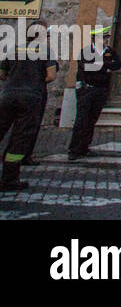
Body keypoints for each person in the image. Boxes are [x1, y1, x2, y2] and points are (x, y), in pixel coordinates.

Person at [0, 21, 58, 191]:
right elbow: (51, 76)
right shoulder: (45, 51)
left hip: (8, 96)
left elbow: (2, 73)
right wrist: (35, 80)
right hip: (30, 98)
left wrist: (15, 79)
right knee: (20, 139)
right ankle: (9, 178)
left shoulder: (14, 49)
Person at [67, 23, 121, 161]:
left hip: (101, 89)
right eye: (103, 38)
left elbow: (118, 64)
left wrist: (102, 65)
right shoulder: (86, 52)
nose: (105, 41)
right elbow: (87, 68)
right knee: (81, 120)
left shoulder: (109, 51)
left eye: (106, 38)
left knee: (92, 120)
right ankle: (74, 150)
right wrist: (106, 66)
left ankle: (85, 147)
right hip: (87, 89)